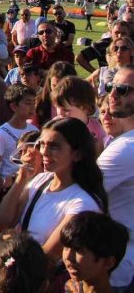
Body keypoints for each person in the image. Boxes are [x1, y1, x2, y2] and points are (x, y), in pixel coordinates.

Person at [0, 118, 107, 267]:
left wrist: (10, 240)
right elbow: (2, 224)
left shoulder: (82, 203)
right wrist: (21, 179)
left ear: (77, 154)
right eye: (42, 144)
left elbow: (48, 257)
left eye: (54, 146)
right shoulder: (41, 181)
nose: (44, 152)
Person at [97, 67, 134, 290]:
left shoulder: (126, 148)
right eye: (110, 86)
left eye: (123, 90)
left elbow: (82, 189)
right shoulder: (121, 142)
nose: (112, 94)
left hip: (118, 268)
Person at [60, 212, 129, 293]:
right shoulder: (71, 287)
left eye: (78, 250)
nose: (68, 257)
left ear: (108, 262)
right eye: (66, 247)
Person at [0, 85, 39, 192]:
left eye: (34, 103)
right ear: (14, 107)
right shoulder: (2, 133)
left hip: (31, 186)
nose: (33, 107)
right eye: (28, 103)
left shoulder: (34, 130)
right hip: (11, 186)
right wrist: (3, 188)